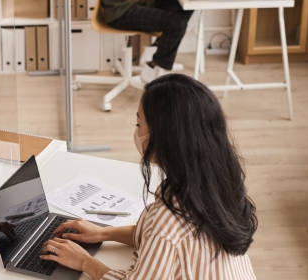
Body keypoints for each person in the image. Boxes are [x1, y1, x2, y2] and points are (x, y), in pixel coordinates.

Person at [40, 74, 258, 279]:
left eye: (139, 124)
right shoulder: (213, 182)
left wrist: (85, 262)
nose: (136, 132)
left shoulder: (169, 218)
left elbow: (164, 236)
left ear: (165, 138)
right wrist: (104, 234)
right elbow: (160, 239)